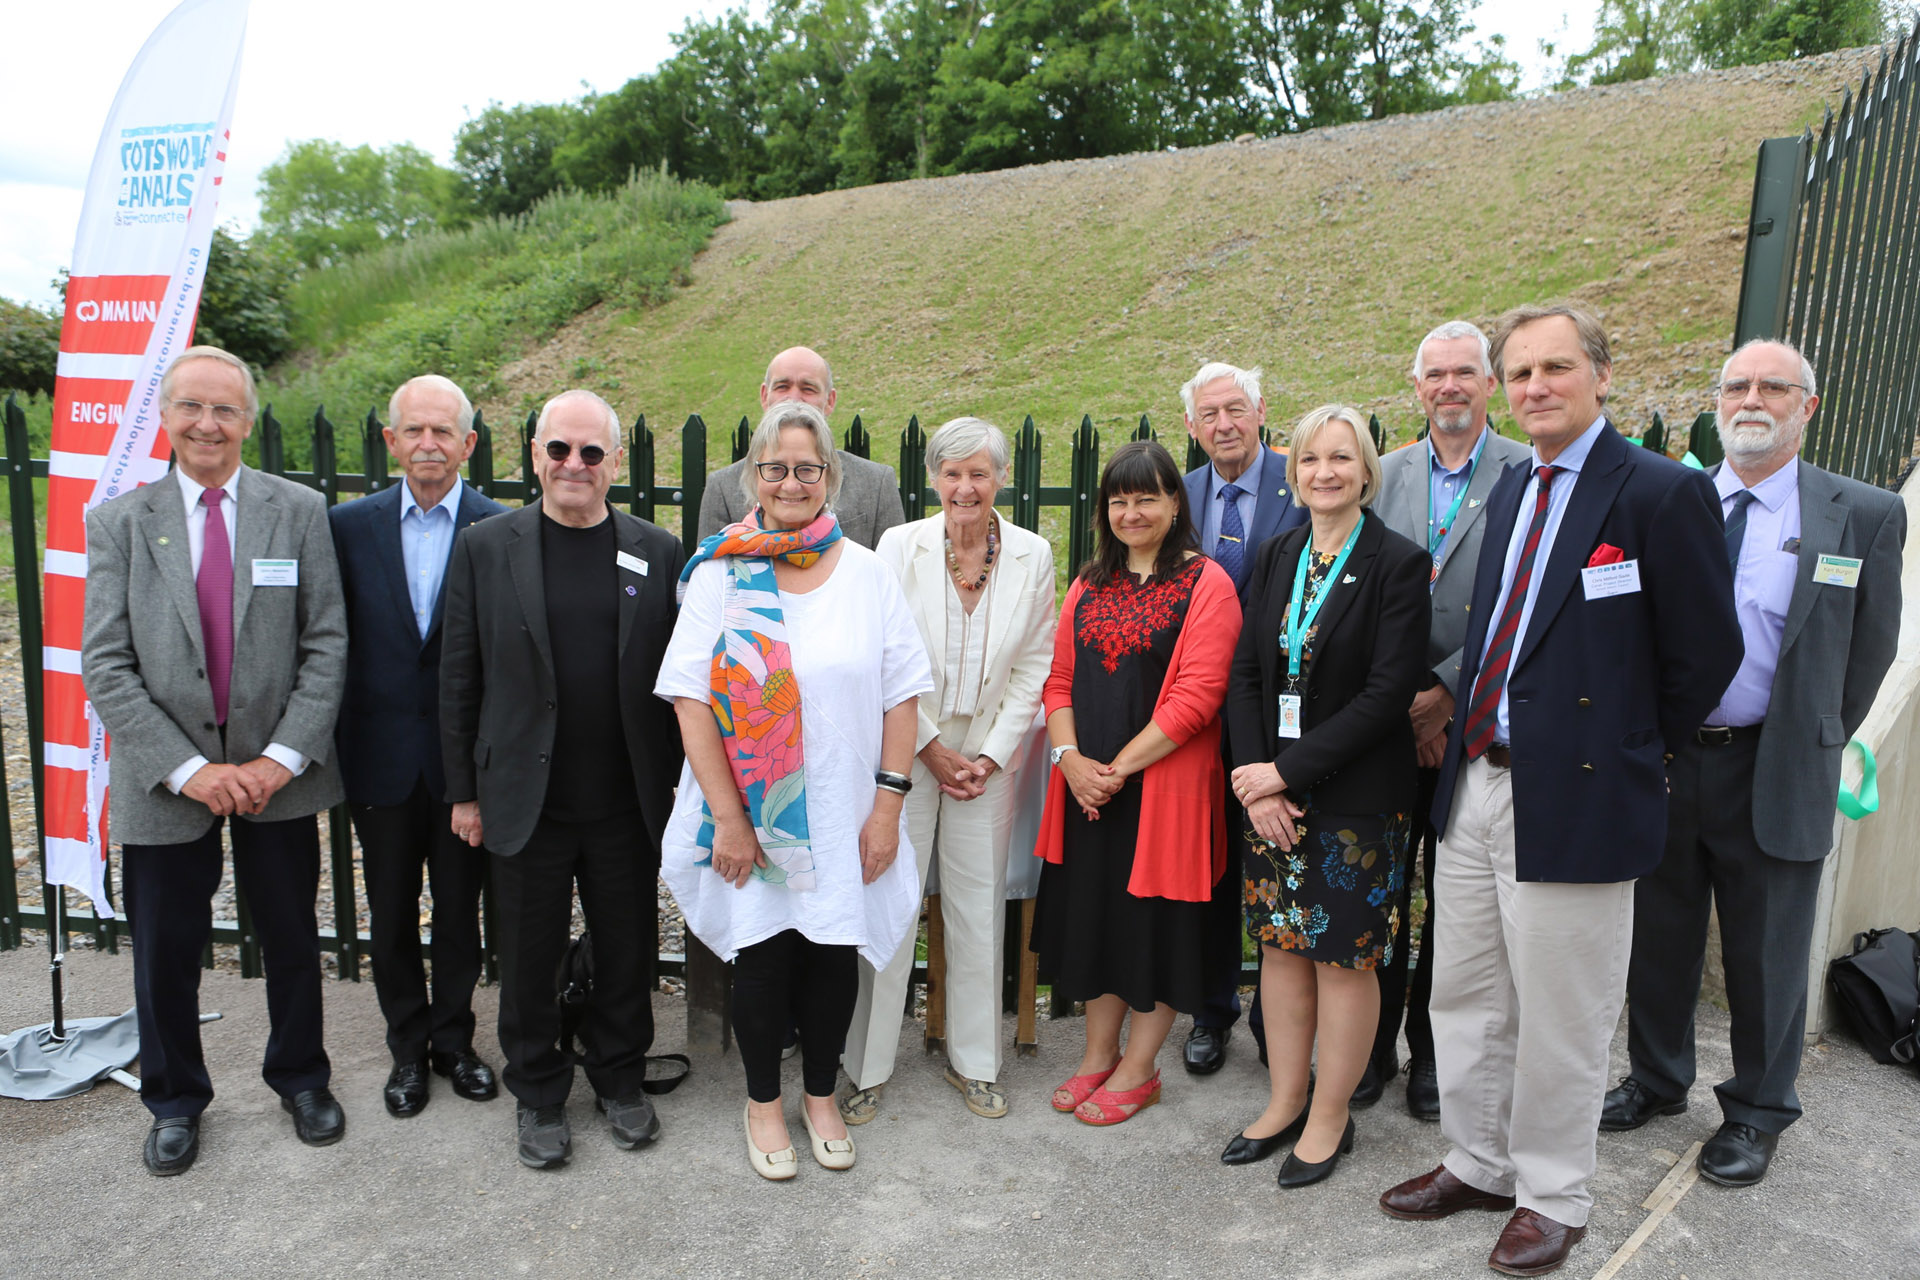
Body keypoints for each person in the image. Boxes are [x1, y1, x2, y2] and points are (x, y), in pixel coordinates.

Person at [1379, 302, 1742, 1278]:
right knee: (1466, 994)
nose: (1537, 385)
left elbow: (1707, 651)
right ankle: (1479, 1157)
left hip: (1578, 795)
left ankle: (1552, 1193)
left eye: (1556, 367)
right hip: (1478, 782)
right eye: (1523, 370)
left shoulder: (1659, 493)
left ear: (1602, 374)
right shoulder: (1512, 489)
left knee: (1563, 1009)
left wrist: (1630, 749)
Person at [1602, 339, 1904, 1187]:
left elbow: (1869, 654)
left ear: (1808, 405)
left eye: (1774, 385)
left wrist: (1811, 734)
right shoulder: (1675, 500)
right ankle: (1658, 1080)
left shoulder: (1864, 513)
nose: (1752, 399)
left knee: (1767, 950)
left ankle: (1758, 1112)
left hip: (1774, 763)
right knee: (1658, 938)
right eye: (1737, 385)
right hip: (1670, 759)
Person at [81, 345, 348, 1175]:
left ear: (249, 420)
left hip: (279, 776)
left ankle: (301, 1078)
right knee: (164, 947)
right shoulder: (120, 522)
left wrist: (279, 758)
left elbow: (327, 642)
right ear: (165, 417)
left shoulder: (298, 511)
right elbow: (106, 663)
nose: (208, 424)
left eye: (225, 409)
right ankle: (172, 1098)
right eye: (192, 407)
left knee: (292, 937)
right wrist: (188, 769)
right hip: (166, 782)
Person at [659, 400, 932, 1179]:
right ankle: (761, 1103)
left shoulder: (870, 574)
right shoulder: (721, 572)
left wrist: (887, 808)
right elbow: (689, 700)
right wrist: (729, 817)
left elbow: (903, 695)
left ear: (830, 479)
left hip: (847, 809)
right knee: (765, 956)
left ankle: (819, 1096)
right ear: (754, 477)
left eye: (805, 469)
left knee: (830, 955)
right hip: (751, 808)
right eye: (774, 468)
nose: (790, 483)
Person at [438, 388, 685, 1170]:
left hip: (623, 800)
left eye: (590, 452)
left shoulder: (657, 548)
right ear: (536, 455)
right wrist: (463, 793)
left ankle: (618, 1076)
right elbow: (458, 678)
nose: (573, 465)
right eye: (558, 450)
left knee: (625, 951)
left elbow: (681, 680)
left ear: (615, 461)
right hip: (524, 799)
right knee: (528, 955)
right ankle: (539, 1092)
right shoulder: (486, 546)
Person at [1223, 405, 1430, 1187]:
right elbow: (1246, 673)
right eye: (1310, 459)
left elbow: (1386, 696)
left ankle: (1331, 1115)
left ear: (1366, 471)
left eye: (1340, 458)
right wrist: (1255, 781)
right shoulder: (1277, 555)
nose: (1324, 473)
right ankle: (1284, 1098)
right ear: (1295, 471)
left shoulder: (1398, 564)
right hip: (1272, 795)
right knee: (1280, 948)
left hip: (1356, 802)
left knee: (1344, 961)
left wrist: (1286, 774)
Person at [843, 417, 1057, 1123]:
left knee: (977, 907)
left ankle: (976, 1065)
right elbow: (880, 654)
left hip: (988, 758)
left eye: (979, 473)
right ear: (932, 479)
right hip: (910, 743)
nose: (965, 487)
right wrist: (932, 747)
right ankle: (866, 1068)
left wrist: (993, 754)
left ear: (1001, 479)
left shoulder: (1032, 553)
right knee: (893, 903)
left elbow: (1034, 664)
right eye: (952, 474)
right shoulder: (896, 548)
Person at [1032, 440, 1242, 1127]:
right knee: (1095, 920)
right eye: (1119, 500)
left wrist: (1116, 768)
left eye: (1147, 496)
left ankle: (1140, 1066)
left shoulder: (1208, 583)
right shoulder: (1089, 584)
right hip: (1089, 792)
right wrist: (1070, 762)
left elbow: (1197, 697)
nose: (1132, 512)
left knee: (1153, 929)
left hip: (1161, 792)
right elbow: (1058, 681)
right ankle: (1097, 1054)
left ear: (1176, 502)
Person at [330, 374, 506, 1118]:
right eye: (415, 430)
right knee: (393, 910)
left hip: (463, 765)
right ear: (391, 440)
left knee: (462, 911)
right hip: (381, 761)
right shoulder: (346, 528)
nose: (428, 444)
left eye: (444, 432)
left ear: (468, 444)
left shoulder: (500, 529)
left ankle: (455, 1042)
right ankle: (407, 1048)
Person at [1372, 322, 1532, 1119]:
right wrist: (1404, 700)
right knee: (1377, 885)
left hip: (1471, 717)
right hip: (1388, 719)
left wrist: (1444, 692)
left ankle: (1432, 1056)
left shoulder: (1528, 472)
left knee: (1456, 903)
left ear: (1490, 383)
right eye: (1435, 375)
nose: (1450, 387)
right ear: (1417, 388)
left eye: (1465, 372)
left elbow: (1524, 601)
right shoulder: (1386, 473)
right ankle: (1366, 1050)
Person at [1178, 361, 1308, 1077]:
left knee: (1279, 857)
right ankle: (1210, 1010)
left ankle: (1276, 1020)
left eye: (1235, 409)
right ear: (1193, 428)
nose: (1223, 424)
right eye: (1209, 414)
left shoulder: (1304, 477)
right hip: (1197, 712)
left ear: (1262, 410)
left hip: (1281, 709)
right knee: (1211, 866)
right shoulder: (1183, 493)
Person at [697, 346, 906, 548]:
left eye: (808, 389)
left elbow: (893, 573)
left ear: (830, 400)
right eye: (782, 387)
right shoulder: (722, 486)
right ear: (764, 396)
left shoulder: (876, 483)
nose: (794, 397)